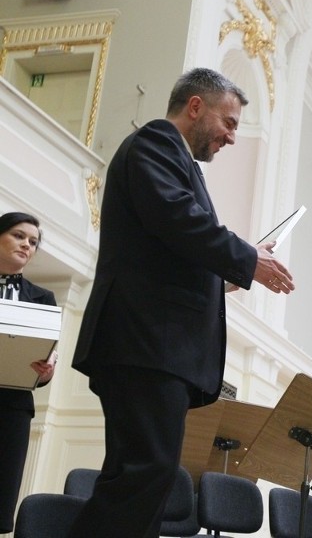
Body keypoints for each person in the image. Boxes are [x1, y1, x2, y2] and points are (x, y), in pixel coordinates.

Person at [68, 68, 295, 538]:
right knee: (142, 479)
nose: (232, 137)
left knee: (144, 480)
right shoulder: (155, 142)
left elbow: (169, 249)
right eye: (229, 123)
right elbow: (179, 219)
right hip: (145, 345)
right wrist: (246, 258)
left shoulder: (177, 161)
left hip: (152, 346)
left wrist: (225, 280)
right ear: (196, 106)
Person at [0, 212, 57, 534]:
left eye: (33, 242)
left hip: (11, 409)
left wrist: (47, 370)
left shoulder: (43, 299)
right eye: (18, 235)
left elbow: (44, 369)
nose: (26, 244)